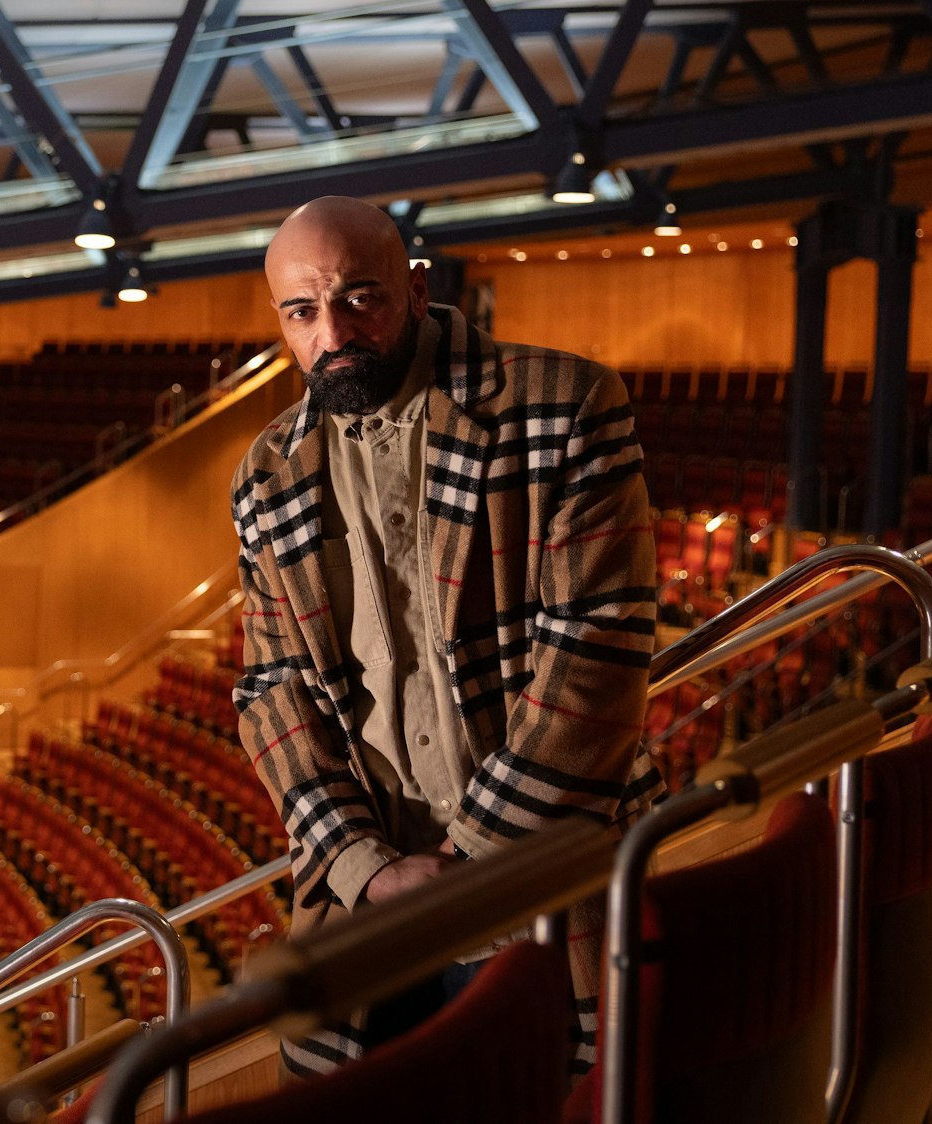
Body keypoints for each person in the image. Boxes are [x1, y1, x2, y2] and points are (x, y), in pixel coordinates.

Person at [229, 196, 664, 1076]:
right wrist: (365, 867)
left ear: (417, 289)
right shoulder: (265, 474)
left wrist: (469, 865)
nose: (333, 332)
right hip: (366, 902)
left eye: (361, 298)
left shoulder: (565, 403)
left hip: (541, 876)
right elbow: (269, 692)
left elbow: (597, 655)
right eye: (303, 311)